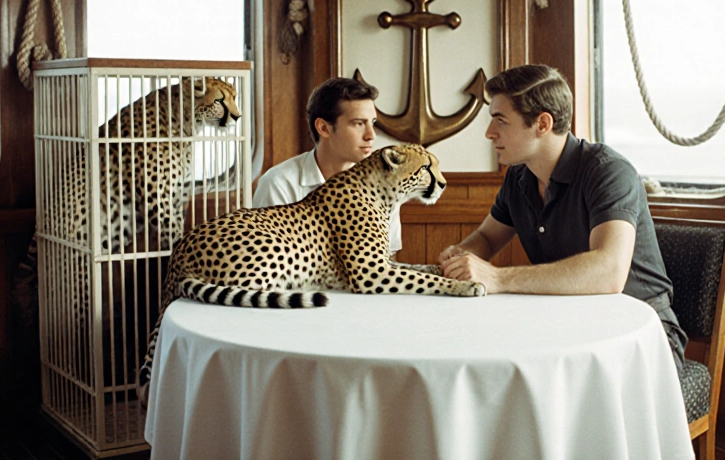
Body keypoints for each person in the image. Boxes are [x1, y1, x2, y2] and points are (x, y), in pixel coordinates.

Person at [437, 64, 686, 373]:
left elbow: (609, 271)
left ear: (542, 123)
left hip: (643, 338)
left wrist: (498, 278)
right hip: (568, 329)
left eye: (500, 121)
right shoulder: (518, 177)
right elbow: (487, 238)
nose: (490, 133)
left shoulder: (608, 171)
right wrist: (461, 257)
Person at [253, 76, 402, 254]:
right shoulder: (278, 185)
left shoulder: (385, 189)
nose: (371, 135)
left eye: (373, 123)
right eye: (359, 124)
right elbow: (268, 267)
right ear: (323, 128)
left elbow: (387, 264)